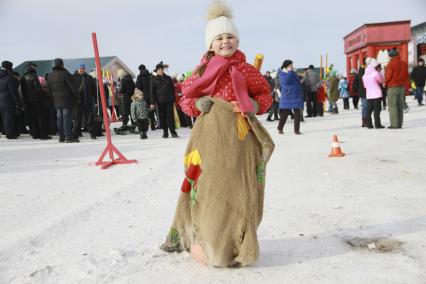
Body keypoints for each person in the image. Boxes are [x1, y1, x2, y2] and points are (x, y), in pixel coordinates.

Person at [160, 1, 274, 267]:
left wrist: (254, 105)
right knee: (211, 190)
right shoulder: (200, 72)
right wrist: (198, 104)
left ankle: (238, 245)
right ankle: (207, 242)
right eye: (219, 38)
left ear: (237, 40)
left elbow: (265, 95)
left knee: (239, 190)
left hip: (240, 137)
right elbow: (185, 99)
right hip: (210, 139)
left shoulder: (247, 70)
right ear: (210, 44)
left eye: (230, 37)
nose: (225, 42)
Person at [47, 58, 79, 143]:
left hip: (57, 101)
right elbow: (73, 88)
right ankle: (68, 137)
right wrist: (77, 97)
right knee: (67, 119)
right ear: (62, 64)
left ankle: (61, 137)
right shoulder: (65, 74)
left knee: (59, 119)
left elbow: (49, 90)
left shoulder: (50, 76)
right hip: (67, 100)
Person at [21, 62, 51, 139]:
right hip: (36, 100)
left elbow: (22, 91)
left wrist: (24, 101)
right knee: (41, 117)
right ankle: (43, 135)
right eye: (35, 67)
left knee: (32, 118)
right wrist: (43, 97)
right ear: (32, 68)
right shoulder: (34, 76)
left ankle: (35, 134)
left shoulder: (23, 77)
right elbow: (38, 89)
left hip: (28, 101)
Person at [150, 62, 178, 138]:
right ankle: (165, 132)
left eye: (162, 69)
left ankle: (173, 132)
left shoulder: (168, 78)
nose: (161, 71)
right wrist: (152, 102)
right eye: (159, 70)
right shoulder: (154, 80)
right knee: (162, 117)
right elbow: (152, 92)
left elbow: (172, 90)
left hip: (169, 100)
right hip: (160, 101)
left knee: (170, 117)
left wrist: (174, 100)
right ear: (156, 71)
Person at [277, 60, 304, 135]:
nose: (292, 66)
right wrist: (290, 72)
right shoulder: (282, 73)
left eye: (292, 65)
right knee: (285, 113)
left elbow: (297, 82)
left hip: (295, 95)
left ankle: (297, 130)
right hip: (287, 96)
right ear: (286, 66)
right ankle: (280, 128)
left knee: (297, 112)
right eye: (290, 65)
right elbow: (286, 81)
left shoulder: (293, 72)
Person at [385, 49, 409, 129]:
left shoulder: (390, 64)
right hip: (402, 87)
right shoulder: (404, 64)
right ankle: (399, 124)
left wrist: (385, 83)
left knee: (392, 105)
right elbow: (406, 75)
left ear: (391, 56)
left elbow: (388, 76)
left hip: (393, 87)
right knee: (399, 105)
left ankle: (394, 124)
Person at [73, 64, 97, 139]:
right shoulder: (73, 77)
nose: (81, 70)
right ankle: (76, 134)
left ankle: (92, 133)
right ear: (78, 69)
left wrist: (96, 99)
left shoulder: (89, 78)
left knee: (89, 119)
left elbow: (94, 90)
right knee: (77, 119)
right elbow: (71, 90)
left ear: (85, 69)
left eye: (83, 68)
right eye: (80, 68)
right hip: (78, 102)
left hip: (88, 102)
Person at [0, 61, 21, 139]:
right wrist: (18, 102)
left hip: (1, 100)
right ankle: (10, 134)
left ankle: (7, 132)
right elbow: (13, 92)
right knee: (9, 117)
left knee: (4, 118)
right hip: (8, 100)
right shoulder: (9, 78)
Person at [362, 59, 385, 129]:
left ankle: (369, 124)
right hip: (377, 93)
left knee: (369, 111)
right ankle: (377, 124)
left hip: (369, 95)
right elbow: (381, 80)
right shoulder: (375, 73)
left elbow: (365, 86)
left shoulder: (364, 76)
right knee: (377, 110)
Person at [136, 64, 157, 130]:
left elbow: (138, 86)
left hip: (143, 96)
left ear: (139, 69)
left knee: (144, 111)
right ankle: (153, 125)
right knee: (152, 111)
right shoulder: (150, 75)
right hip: (151, 96)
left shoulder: (139, 76)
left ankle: (146, 125)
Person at [357, 60, 368, 126]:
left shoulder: (359, 73)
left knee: (365, 106)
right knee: (366, 106)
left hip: (362, 92)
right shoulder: (365, 72)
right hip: (366, 91)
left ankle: (364, 120)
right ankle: (365, 120)